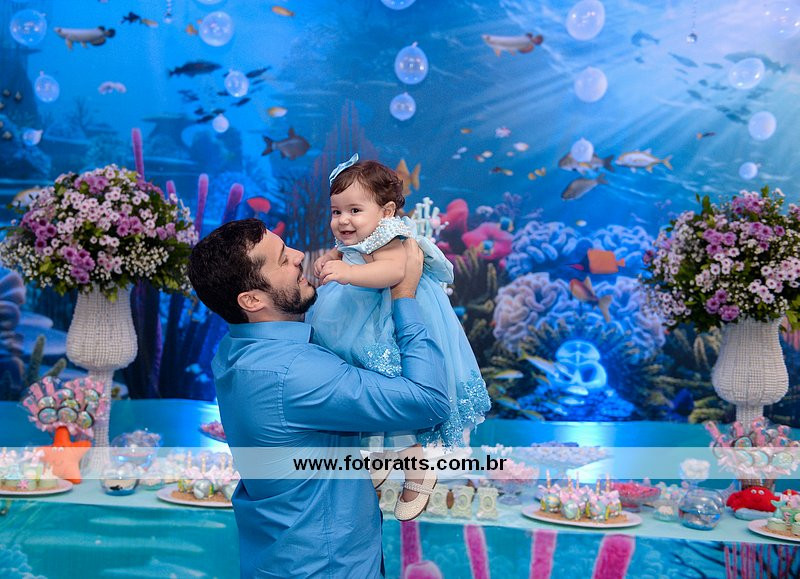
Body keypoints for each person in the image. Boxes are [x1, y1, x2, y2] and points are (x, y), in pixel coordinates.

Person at [187, 218, 450, 578]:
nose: (299, 256)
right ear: (251, 300)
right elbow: (430, 401)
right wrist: (404, 296)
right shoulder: (296, 372)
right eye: (282, 259)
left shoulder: (234, 350)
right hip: (326, 565)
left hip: (279, 557)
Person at [309, 154, 492, 521]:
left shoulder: (391, 237)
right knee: (367, 390)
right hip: (358, 317)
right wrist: (330, 257)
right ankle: (379, 454)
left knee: (397, 387)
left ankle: (418, 465)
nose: (343, 220)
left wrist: (346, 273)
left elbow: (392, 272)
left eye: (355, 210)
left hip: (390, 319)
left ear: (387, 211)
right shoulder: (361, 235)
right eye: (336, 211)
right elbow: (347, 252)